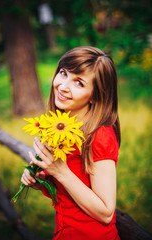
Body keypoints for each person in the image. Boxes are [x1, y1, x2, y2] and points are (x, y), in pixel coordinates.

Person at [21, 46, 121, 240]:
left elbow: (106, 213)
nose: (63, 86)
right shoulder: (64, 126)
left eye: (79, 83)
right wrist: (43, 181)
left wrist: (61, 171)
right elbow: (71, 198)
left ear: (95, 95)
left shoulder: (99, 135)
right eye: (64, 73)